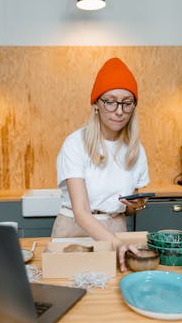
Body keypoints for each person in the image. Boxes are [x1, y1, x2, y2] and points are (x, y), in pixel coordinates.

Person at [51, 57, 150, 272]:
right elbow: (82, 211)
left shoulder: (136, 150)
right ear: (96, 104)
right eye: (110, 101)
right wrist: (116, 244)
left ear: (133, 106)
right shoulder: (75, 144)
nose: (119, 110)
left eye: (127, 102)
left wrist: (135, 205)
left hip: (116, 227)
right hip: (73, 230)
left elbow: (130, 205)